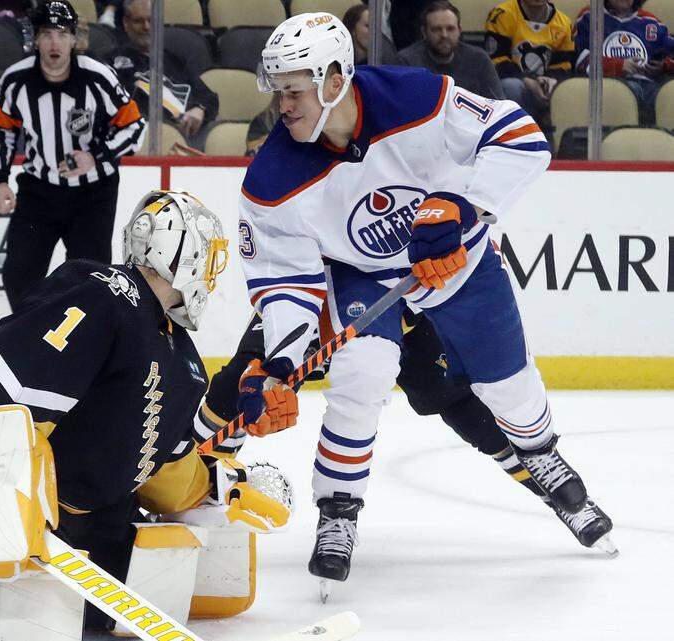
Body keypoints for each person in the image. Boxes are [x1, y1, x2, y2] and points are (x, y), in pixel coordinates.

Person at [240, 12, 606, 597]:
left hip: (456, 261)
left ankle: (540, 453)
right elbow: (285, 283)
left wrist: (466, 207)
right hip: (363, 277)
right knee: (364, 373)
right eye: (278, 90)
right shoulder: (271, 179)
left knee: (510, 386)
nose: (283, 105)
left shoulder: (416, 97)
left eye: (294, 90)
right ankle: (338, 511)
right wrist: (282, 364)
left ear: (335, 80)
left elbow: (521, 138)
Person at [0, 190, 287, 631]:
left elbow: (162, 472)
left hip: (79, 535)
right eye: (206, 258)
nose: (208, 275)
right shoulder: (101, 293)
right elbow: (6, 383)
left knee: (142, 581)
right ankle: (9, 557)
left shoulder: (183, 362)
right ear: (180, 254)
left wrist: (223, 483)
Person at [196, 311, 617, 579]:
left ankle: (559, 499)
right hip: (305, 309)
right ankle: (183, 489)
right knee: (239, 392)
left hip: (401, 324)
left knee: (470, 413)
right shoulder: (304, 184)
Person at [0, 0, 146, 311]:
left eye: (62, 34)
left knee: (92, 280)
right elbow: (0, 130)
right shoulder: (15, 80)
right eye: (46, 34)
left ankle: (80, 349)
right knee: (19, 274)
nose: (54, 43)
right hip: (39, 191)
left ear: (74, 39)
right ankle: (32, 342)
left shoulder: (99, 77)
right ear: (35, 39)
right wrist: (0, 180)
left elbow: (135, 128)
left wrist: (96, 156)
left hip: (93, 195)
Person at [108, 0, 219, 139]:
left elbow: (209, 97)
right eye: (138, 21)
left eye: (150, 20)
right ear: (126, 23)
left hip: (189, 138)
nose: (146, 27)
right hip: (146, 140)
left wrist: (200, 110)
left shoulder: (174, 60)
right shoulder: (111, 61)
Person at [575, 0, 674, 124]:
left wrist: (665, 65)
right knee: (630, 91)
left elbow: (671, 53)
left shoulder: (651, 22)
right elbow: (580, 60)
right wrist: (619, 65)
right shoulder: (590, 17)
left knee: (667, 97)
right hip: (608, 85)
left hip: (649, 86)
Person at [485, 0, 575, 123]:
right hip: (512, 85)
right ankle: (515, 134)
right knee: (512, 86)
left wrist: (550, 81)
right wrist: (527, 81)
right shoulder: (503, 15)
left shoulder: (564, 24)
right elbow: (496, 62)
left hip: (541, 88)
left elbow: (563, 67)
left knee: (563, 91)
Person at [399, 0, 505, 99]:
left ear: (459, 30)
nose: (444, 35)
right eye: (436, 29)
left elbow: (498, 106)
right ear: (424, 32)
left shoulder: (479, 60)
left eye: (450, 29)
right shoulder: (406, 62)